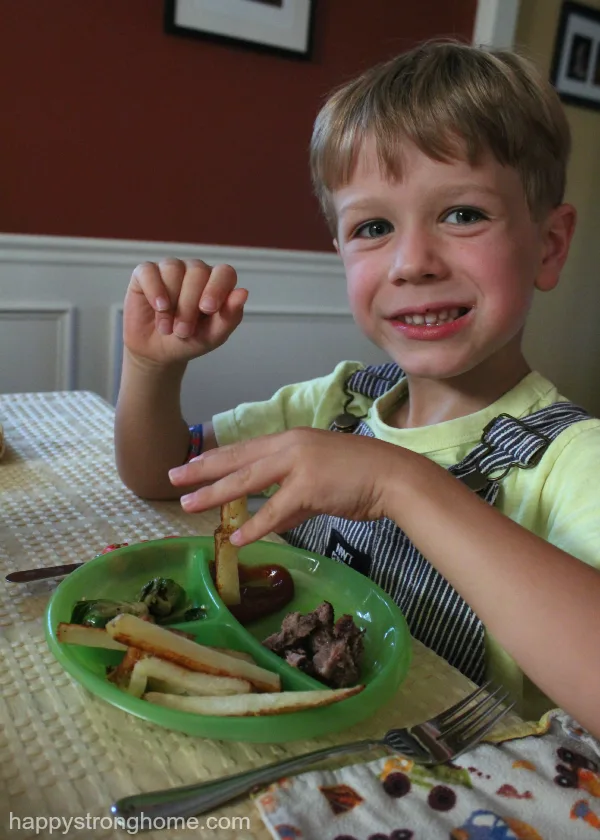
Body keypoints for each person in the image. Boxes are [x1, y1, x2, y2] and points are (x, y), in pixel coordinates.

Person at [115, 41, 600, 738]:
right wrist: (152, 369)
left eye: (463, 214)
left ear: (549, 246)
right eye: (374, 227)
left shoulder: (571, 461)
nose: (412, 263)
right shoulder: (335, 403)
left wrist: (398, 484)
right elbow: (164, 476)